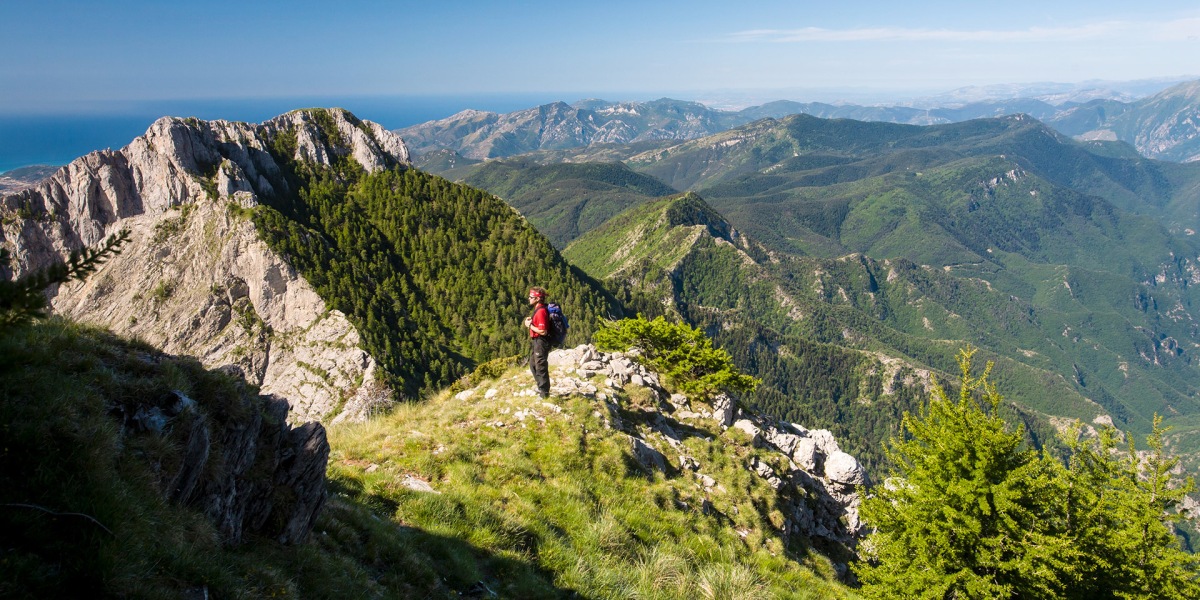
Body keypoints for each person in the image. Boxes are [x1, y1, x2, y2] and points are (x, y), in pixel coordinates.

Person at [524, 286, 551, 398]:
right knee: (533, 364)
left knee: (540, 365)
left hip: (541, 341)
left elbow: (543, 331)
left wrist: (530, 325)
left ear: (538, 298)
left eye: (531, 297)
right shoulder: (539, 308)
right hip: (537, 341)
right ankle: (541, 387)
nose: (529, 298)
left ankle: (544, 393)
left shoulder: (540, 311)